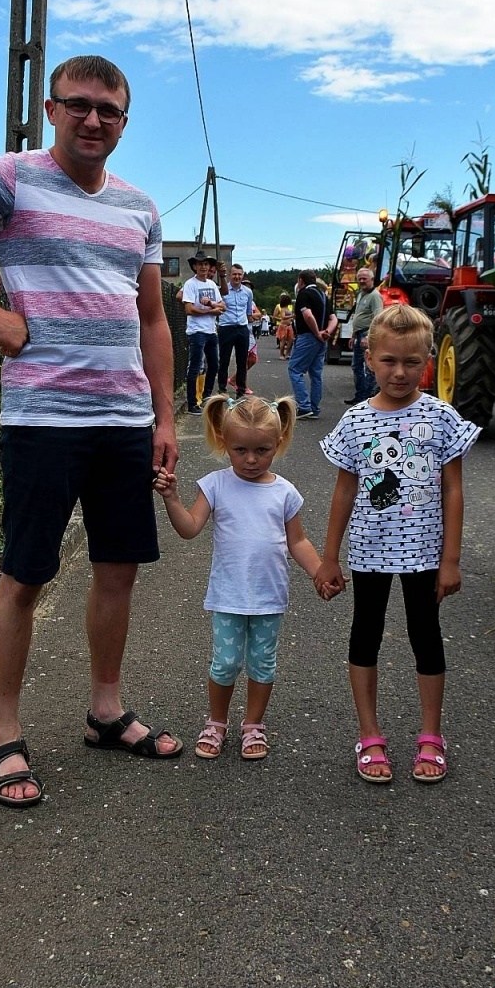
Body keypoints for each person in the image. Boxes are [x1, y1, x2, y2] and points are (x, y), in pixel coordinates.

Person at [0, 54, 183, 810]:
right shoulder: (11, 178)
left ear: (123, 122)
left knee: (119, 568)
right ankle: (4, 735)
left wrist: (165, 415)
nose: (92, 120)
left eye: (107, 110)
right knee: (25, 576)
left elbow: (151, 318)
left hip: (121, 420)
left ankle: (105, 712)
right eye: (77, 105)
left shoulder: (141, 208)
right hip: (43, 417)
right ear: (51, 110)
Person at [314, 304, 480, 785]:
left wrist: (451, 559)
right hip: (369, 552)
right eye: (388, 361)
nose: (400, 372)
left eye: (411, 362)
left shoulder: (442, 417)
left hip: (425, 555)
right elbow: (344, 491)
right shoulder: (355, 423)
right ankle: (369, 733)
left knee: (425, 638)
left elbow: (454, 490)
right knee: (365, 635)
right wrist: (329, 556)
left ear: (429, 358)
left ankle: (431, 734)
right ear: (369, 359)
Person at [153, 394, 338, 761]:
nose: (251, 460)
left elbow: (297, 540)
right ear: (223, 443)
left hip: (269, 597)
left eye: (262, 450)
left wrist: (320, 572)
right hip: (228, 595)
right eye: (240, 450)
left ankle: (254, 724)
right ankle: (217, 721)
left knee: (262, 662)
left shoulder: (284, 492)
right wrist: (172, 498)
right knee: (224, 662)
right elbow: (190, 528)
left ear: (278, 442)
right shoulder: (216, 485)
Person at [288, 270, 338, 419]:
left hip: (308, 337)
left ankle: (304, 406)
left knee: (295, 369)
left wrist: (316, 332)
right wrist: (326, 332)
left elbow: (307, 315)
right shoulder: (323, 296)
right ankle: (314, 408)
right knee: (316, 374)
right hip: (322, 339)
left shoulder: (303, 294)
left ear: (301, 281)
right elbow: (333, 318)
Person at [182, 250, 226, 414]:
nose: (203, 267)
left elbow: (223, 306)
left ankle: (206, 397)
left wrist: (211, 304)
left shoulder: (212, 285)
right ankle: (192, 403)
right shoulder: (190, 284)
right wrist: (211, 311)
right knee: (194, 367)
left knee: (214, 365)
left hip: (210, 331)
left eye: (206, 264)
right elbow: (189, 308)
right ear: (194, 266)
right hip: (196, 331)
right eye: (200, 264)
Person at [344, 265, 384, 405]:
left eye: (364, 279)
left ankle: (369, 397)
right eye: (359, 278)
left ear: (372, 279)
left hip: (367, 333)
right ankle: (360, 395)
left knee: (369, 367)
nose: (361, 281)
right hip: (359, 334)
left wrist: (369, 337)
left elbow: (378, 318)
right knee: (356, 366)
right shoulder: (361, 294)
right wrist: (353, 335)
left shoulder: (375, 296)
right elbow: (359, 315)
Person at [218, 263, 256, 398]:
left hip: (242, 328)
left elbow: (248, 312)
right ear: (230, 275)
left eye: (239, 274)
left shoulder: (248, 292)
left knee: (242, 361)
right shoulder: (222, 290)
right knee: (224, 360)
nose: (237, 277)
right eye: (234, 274)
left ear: (243, 275)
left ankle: (241, 390)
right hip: (226, 327)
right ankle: (222, 389)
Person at [273, 293, 295, 359]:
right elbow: (283, 317)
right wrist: (291, 316)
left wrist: (292, 318)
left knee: (290, 340)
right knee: (283, 340)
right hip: (283, 325)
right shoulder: (281, 308)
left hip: (289, 325)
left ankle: (287, 354)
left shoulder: (289, 308)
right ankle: (281, 354)